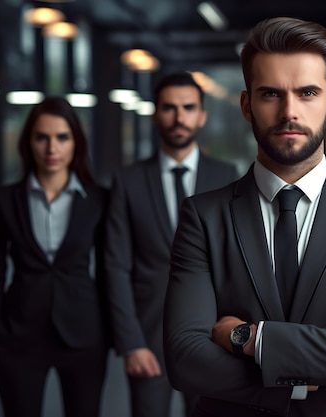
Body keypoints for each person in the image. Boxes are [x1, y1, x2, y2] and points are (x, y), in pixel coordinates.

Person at [163, 17, 326, 417]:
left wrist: (250, 337)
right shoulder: (203, 216)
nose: (289, 111)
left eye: (307, 93)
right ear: (247, 105)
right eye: (270, 94)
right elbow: (185, 358)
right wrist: (302, 381)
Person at [104, 72, 239, 417]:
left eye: (188, 108)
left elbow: (237, 262)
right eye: (169, 108)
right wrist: (131, 342)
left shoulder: (228, 177)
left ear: (202, 115)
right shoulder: (128, 181)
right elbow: (115, 266)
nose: (179, 117)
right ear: (155, 114)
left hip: (214, 340)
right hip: (148, 339)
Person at [0, 97, 109, 417]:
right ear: (29, 144)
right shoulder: (5, 199)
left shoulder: (98, 200)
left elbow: (110, 269)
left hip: (84, 335)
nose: (52, 148)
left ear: (75, 143)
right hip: (18, 335)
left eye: (62, 137)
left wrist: (108, 330)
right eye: (42, 137)